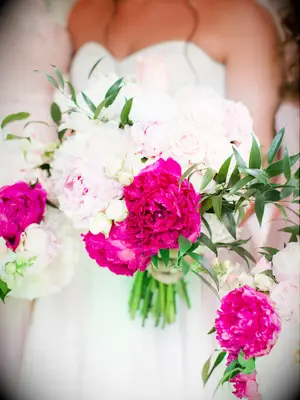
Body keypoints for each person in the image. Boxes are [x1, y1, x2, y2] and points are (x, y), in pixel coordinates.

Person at [0, 1, 288, 399]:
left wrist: (173, 237)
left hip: (194, 263)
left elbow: (257, 168)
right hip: (96, 268)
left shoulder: (241, 18)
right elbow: (67, 134)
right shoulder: (83, 13)